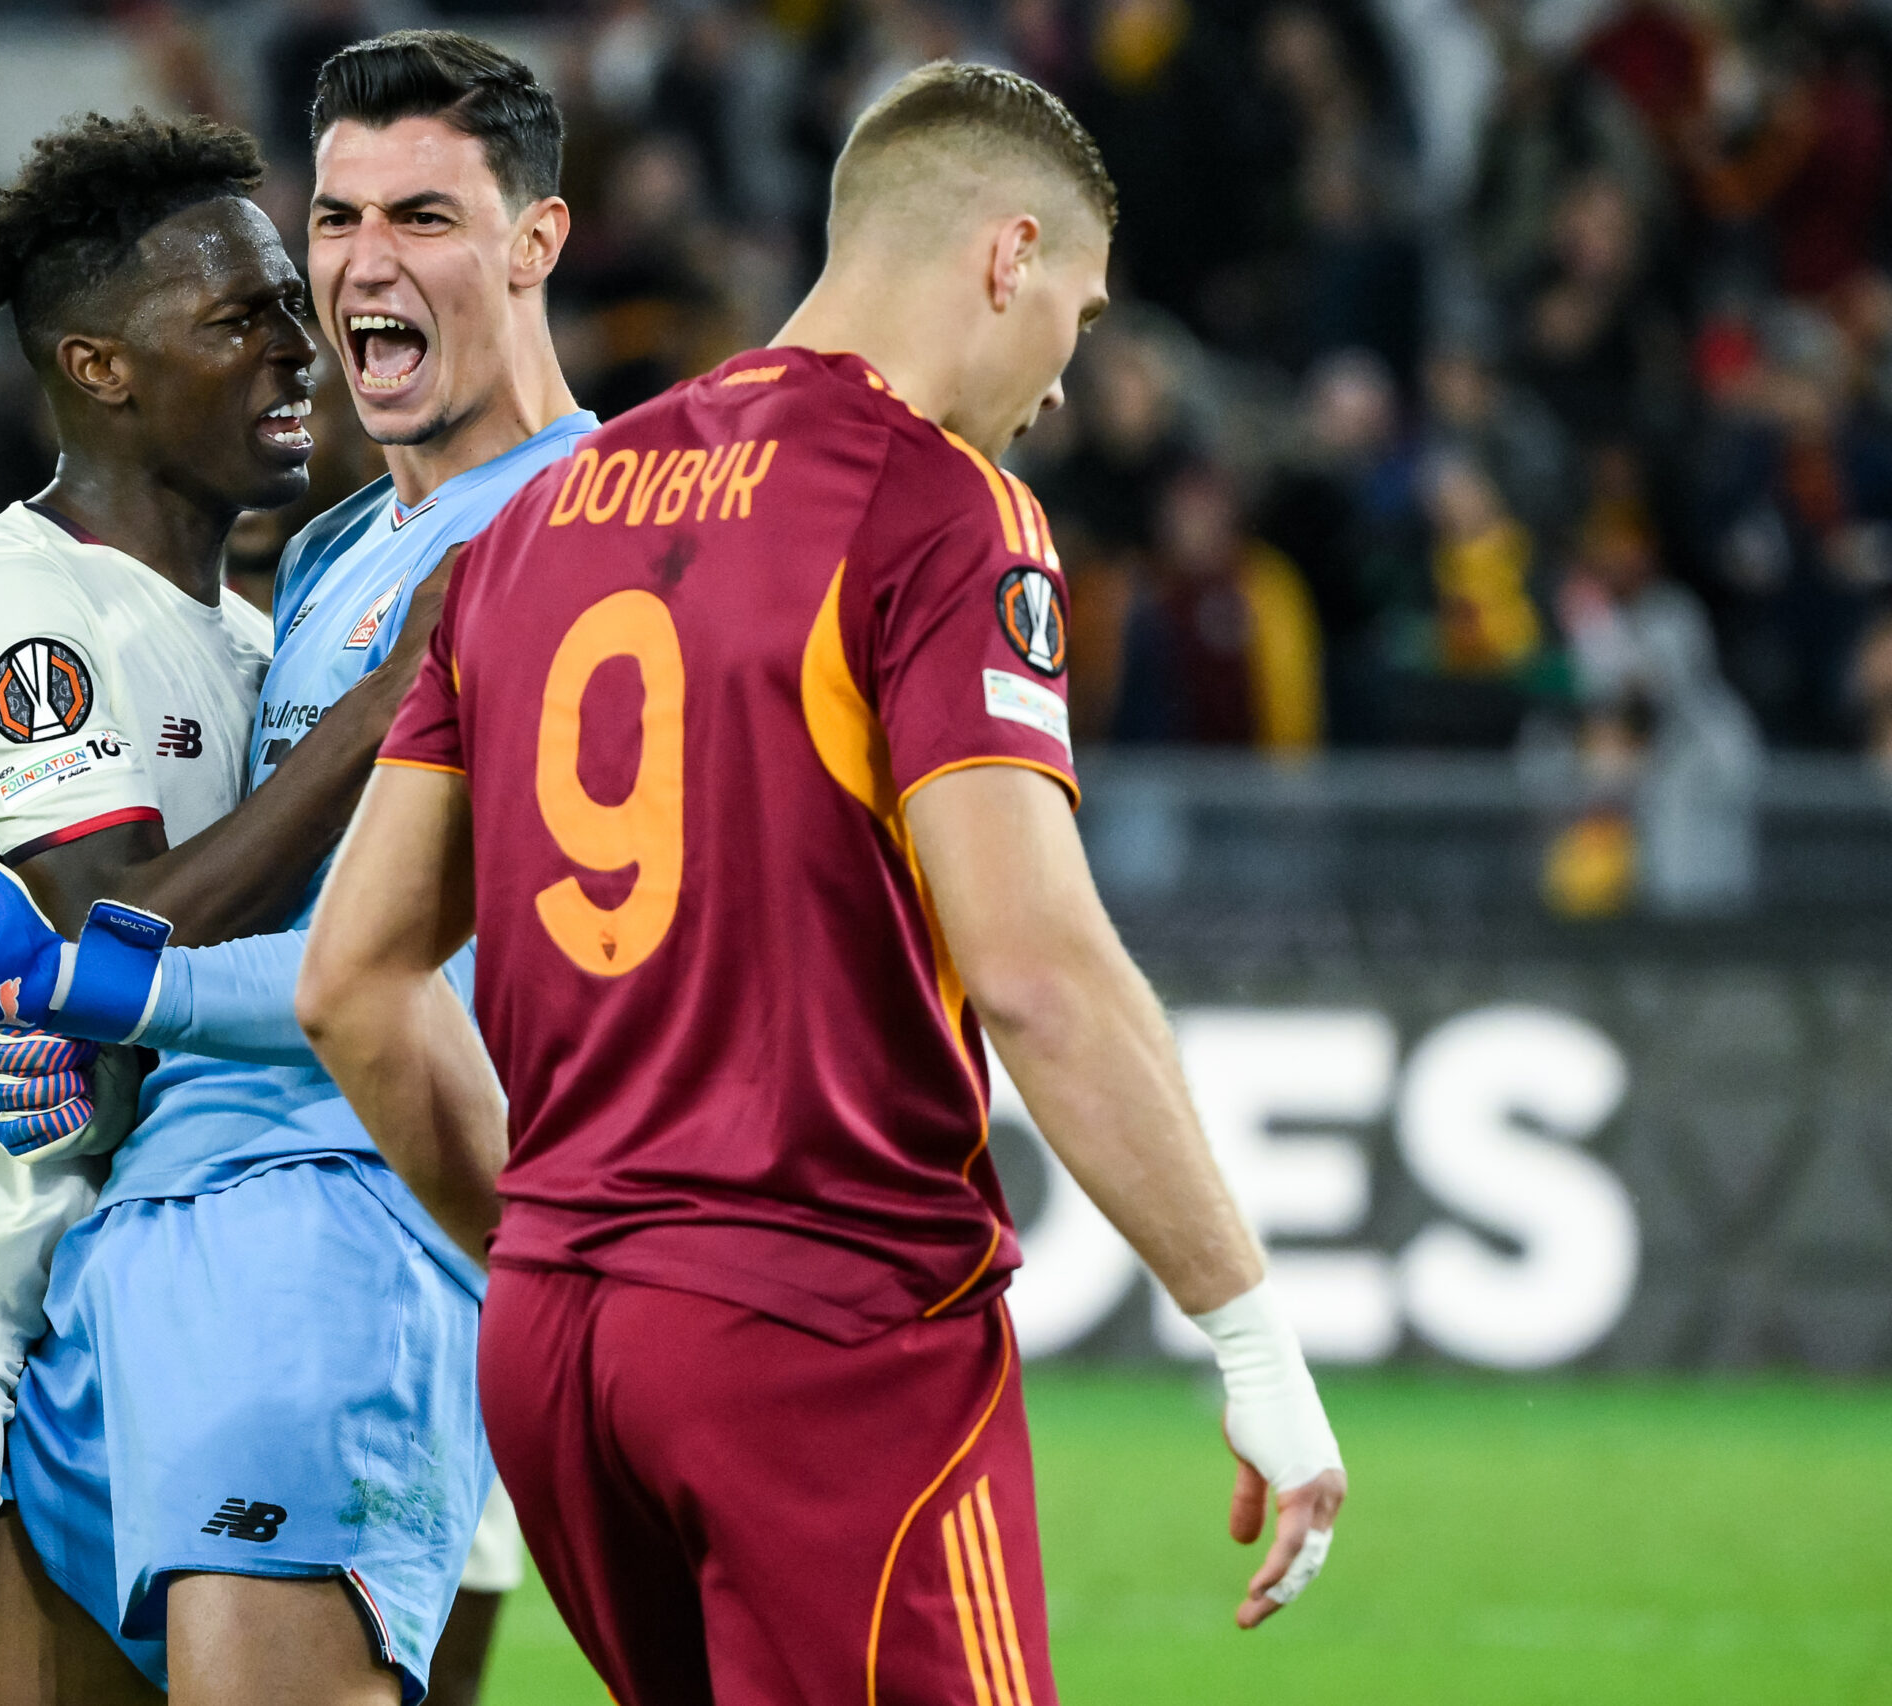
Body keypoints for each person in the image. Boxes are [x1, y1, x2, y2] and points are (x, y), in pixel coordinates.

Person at [295, 61, 1350, 1706]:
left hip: (560, 1352)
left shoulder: (531, 525)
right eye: (1075, 314)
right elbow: (1041, 973)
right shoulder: (938, 509)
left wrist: (553, 1245)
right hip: (821, 1330)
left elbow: (348, 982)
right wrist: (1250, 1330)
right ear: (1007, 261)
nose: (1064, 381)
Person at [0, 32, 594, 1706]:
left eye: (425, 214)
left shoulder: (593, 531)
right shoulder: (340, 550)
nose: (361, 266)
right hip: (128, 1248)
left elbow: (436, 966)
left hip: (331, 1238)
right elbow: (280, 894)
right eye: (337, 218)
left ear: (535, 243)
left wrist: (90, 975)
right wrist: (91, 1053)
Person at [0, 111, 440, 1706]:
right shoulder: (9, 599)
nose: (296, 346)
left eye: (289, 305)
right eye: (238, 314)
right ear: (101, 366)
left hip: (123, 1315)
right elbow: (103, 931)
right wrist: (392, 703)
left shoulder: (260, 650)